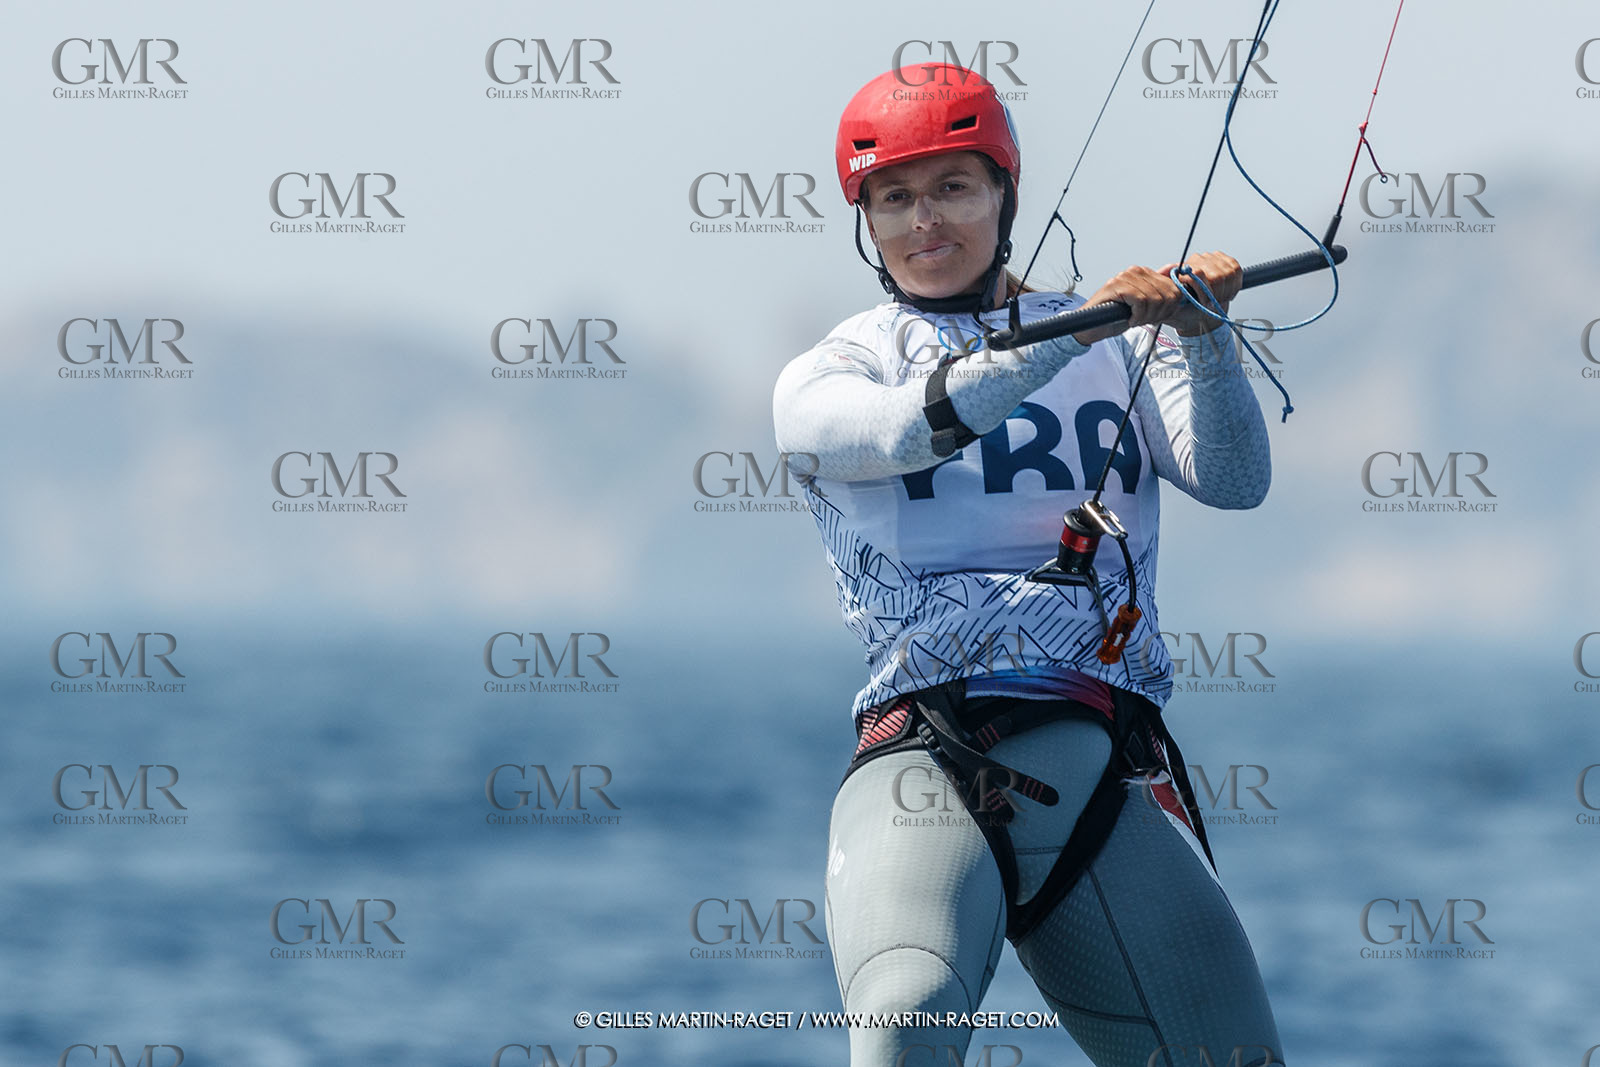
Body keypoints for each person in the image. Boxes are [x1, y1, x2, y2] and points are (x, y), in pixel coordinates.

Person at [771, 65, 1285, 1067]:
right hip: (925, 763)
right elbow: (908, 430)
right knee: (906, 1022)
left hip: (1106, 769)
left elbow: (1234, 481)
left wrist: (1206, 340)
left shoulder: (1122, 344)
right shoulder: (836, 368)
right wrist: (1074, 330)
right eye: (893, 198)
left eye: (953, 187)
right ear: (866, 221)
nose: (925, 220)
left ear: (1005, 193)